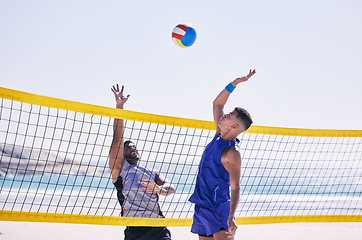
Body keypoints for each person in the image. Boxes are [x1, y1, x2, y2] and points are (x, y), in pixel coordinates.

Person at [189, 69, 256, 240]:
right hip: (202, 206)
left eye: (229, 116)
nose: (223, 115)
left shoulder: (232, 152)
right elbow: (217, 104)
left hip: (219, 209)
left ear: (234, 126)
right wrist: (234, 84)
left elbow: (235, 187)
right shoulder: (218, 135)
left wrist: (231, 216)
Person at [109, 84, 175, 240]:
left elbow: (171, 188)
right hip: (134, 231)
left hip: (158, 228)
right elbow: (117, 137)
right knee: (118, 139)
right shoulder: (119, 170)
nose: (133, 149)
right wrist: (119, 107)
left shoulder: (151, 172)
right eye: (127, 148)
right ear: (121, 154)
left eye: (134, 147)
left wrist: (158, 189)